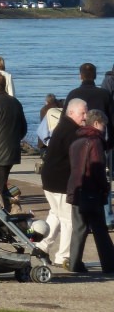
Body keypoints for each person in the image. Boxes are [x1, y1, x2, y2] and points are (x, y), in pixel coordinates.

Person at [38, 98, 88, 268]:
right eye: (83, 113)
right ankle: (63, 256)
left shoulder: (63, 126)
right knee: (68, 219)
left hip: (49, 178)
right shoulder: (72, 131)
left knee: (55, 214)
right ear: (71, 112)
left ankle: (42, 246)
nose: (85, 116)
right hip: (60, 181)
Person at [62, 62, 114, 229]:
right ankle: (106, 216)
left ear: (80, 76)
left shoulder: (74, 94)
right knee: (102, 177)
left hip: (78, 141)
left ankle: (83, 215)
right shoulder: (104, 94)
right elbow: (112, 120)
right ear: (96, 76)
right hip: (100, 140)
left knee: (80, 176)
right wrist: (110, 144)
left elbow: (66, 121)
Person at [67, 109, 114, 273]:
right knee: (100, 229)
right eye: (103, 126)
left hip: (76, 189)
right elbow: (97, 167)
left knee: (78, 230)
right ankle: (109, 264)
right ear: (96, 124)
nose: (105, 130)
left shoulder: (76, 141)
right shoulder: (95, 142)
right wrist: (104, 187)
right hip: (91, 190)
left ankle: (74, 264)